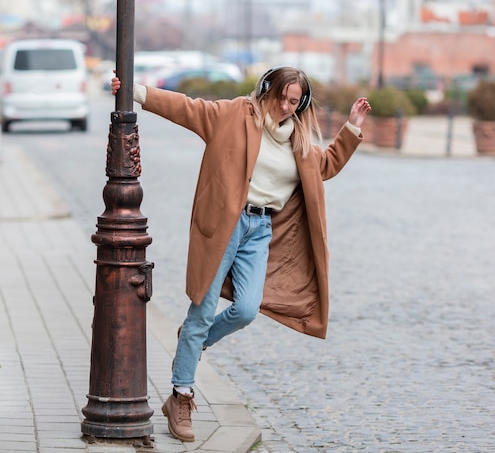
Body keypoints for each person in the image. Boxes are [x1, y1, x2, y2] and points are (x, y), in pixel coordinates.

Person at [111, 66, 370, 442]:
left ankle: (193, 340)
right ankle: (180, 395)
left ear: (302, 104)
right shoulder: (232, 115)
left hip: (260, 230)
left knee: (247, 310)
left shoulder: (298, 140)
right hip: (223, 225)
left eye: (293, 101)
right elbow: (185, 107)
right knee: (202, 308)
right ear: (267, 88)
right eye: (280, 96)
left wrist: (352, 127)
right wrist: (135, 91)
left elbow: (324, 167)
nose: (284, 106)